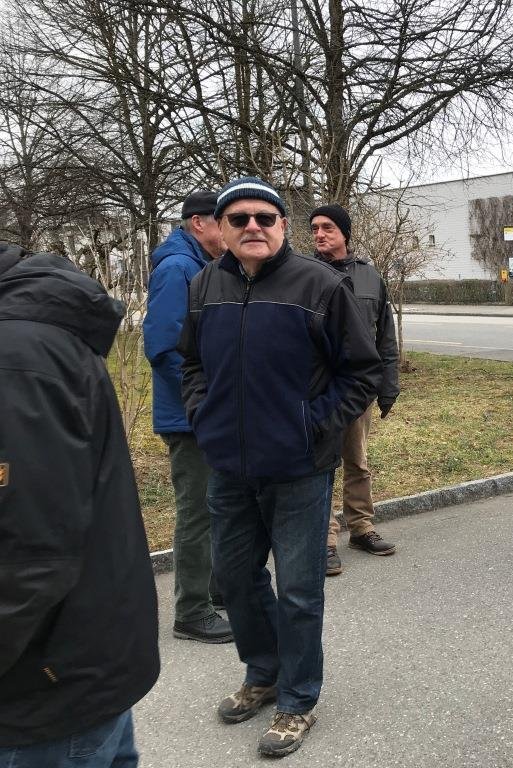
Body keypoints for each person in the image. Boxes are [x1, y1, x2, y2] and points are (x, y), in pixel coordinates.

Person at [179, 177, 382, 757]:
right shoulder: (205, 285)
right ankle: (263, 673)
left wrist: (312, 424)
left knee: (298, 589)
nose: (253, 227)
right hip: (229, 465)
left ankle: (297, 699)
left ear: (282, 226)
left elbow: (361, 371)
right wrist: (203, 414)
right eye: (239, 218)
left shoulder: (319, 284)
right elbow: (189, 362)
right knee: (235, 580)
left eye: (265, 218)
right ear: (221, 229)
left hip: (299, 467)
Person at [0, 244, 160, 766]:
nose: (251, 228)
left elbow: (28, 557)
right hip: (70, 665)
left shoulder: (15, 358)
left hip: (40, 689)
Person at [143, 190, 232, 644]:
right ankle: (191, 611)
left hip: (204, 411)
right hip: (188, 416)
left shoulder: (199, 264)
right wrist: (204, 397)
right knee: (197, 511)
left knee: (214, 504)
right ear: (200, 223)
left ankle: (215, 591)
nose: (232, 231)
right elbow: (163, 347)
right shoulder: (177, 268)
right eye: (224, 221)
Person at [310, 203, 399, 575]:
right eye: (315, 228)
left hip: (359, 390)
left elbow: (384, 336)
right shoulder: (305, 273)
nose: (319, 234)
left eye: (327, 227)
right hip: (319, 391)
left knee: (358, 461)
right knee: (322, 466)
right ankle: (324, 541)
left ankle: (361, 527)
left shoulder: (369, 276)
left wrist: (388, 385)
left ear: (345, 233)